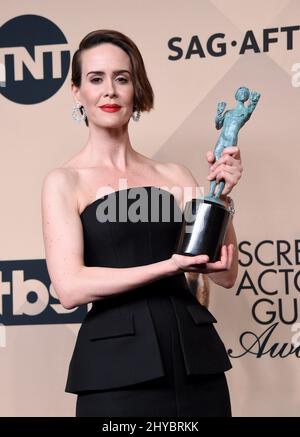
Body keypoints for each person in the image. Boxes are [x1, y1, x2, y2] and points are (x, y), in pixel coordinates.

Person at [41, 29, 242, 417]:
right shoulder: (64, 181)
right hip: (116, 371)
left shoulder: (175, 175)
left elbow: (225, 273)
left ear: (136, 88)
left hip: (195, 364)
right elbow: (69, 288)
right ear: (76, 91)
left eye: (122, 78)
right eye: (96, 79)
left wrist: (221, 194)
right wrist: (170, 266)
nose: (110, 91)